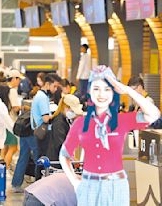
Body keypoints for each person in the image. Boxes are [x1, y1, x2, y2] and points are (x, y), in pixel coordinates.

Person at [59, 66, 160, 206]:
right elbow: (64, 154)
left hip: (116, 185)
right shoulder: (81, 123)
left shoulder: (121, 121)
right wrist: (74, 181)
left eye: (107, 89)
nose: (101, 94)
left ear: (113, 93)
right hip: (88, 184)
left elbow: (154, 114)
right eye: (96, 89)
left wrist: (128, 90)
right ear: (89, 92)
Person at [31, 73, 61, 180]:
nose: (55, 89)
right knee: (43, 160)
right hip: (44, 133)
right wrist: (57, 113)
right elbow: (45, 118)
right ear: (48, 84)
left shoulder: (40, 95)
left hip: (39, 132)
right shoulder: (43, 97)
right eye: (55, 86)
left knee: (40, 159)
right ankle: (39, 184)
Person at [47, 94, 83, 163]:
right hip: (58, 161)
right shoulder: (59, 122)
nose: (73, 113)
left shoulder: (65, 120)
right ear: (65, 107)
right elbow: (60, 144)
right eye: (72, 111)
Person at [2, 69, 21, 169]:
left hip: (3, 122)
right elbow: (15, 107)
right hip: (11, 122)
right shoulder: (12, 91)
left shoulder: (4, 89)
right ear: (14, 79)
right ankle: (4, 169)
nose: (19, 82)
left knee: (5, 147)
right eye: (18, 79)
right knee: (13, 148)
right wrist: (23, 107)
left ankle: (1, 168)